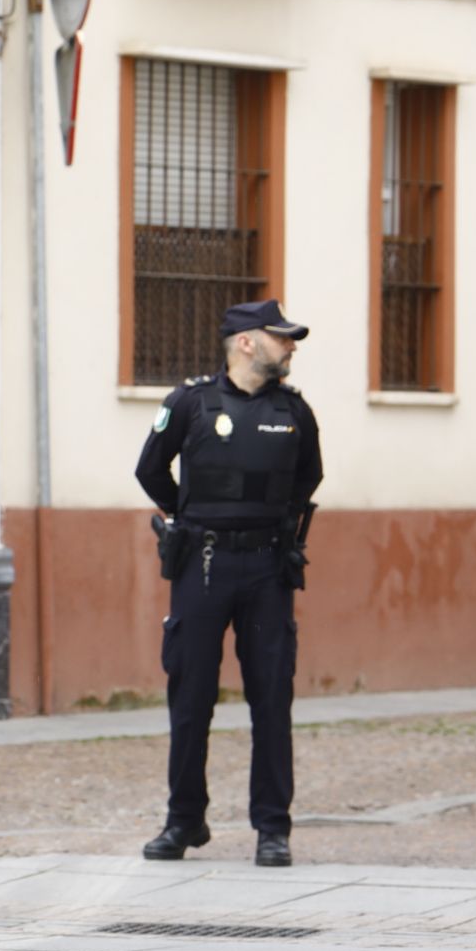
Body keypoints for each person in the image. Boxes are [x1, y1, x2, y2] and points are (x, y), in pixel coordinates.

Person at [134, 299, 323, 869]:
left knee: (271, 697)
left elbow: (308, 479)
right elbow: (150, 469)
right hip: (204, 565)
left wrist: (268, 527)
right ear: (246, 342)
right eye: (281, 338)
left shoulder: (294, 411)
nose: (290, 347)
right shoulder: (190, 403)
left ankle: (272, 828)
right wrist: (192, 519)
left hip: (268, 568)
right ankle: (184, 821)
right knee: (190, 698)